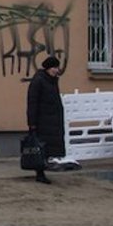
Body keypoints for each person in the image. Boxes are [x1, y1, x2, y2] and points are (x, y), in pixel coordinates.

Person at [26, 55, 64, 184]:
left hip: (51, 121)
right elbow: (32, 102)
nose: (56, 70)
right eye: (54, 67)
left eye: (57, 67)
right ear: (48, 68)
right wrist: (32, 123)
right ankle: (40, 173)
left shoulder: (51, 81)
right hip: (42, 121)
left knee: (46, 148)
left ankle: (43, 170)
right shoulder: (39, 81)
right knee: (40, 148)